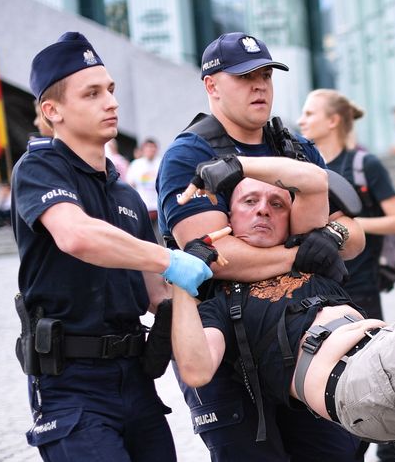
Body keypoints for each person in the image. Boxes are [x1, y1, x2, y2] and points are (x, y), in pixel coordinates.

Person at [155, 31, 364, 461]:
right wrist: (300, 253)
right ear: (212, 85)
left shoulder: (295, 149)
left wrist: (332, 237)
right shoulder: (187, 156)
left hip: (300, 331)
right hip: (224, 341)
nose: (260, 87)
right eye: (245, 77)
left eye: (266, 76)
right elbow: (217, 256)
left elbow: (353, 232)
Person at [11, 31, 212, 461]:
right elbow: (76, 235)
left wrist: (208, 283)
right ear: (52, 111)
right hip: (71, 384)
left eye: (111, 89)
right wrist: (169, 258)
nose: (111, 102)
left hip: (135, 380)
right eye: (92, 93)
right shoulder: (40, 167)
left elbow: (157, 296)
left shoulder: (126, 195)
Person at [170, 155, 395, 450]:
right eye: (250, 201)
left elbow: (314, 181)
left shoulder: (311, 255)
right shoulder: (221, 302)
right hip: (356, 385)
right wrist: (182, 278)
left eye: (277, 204)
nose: (263, 210)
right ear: (229, 217)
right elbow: (196, 371)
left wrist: (236, 165)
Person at [297, 88, 395, 320]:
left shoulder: (365, 164)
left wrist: (345, 227)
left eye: (309, 114)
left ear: (333, 121)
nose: (301, 121)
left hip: (361, 287)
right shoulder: (305, 168)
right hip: (320, 288)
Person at [126, 138, 162, 242]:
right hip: (142, 206)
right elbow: (129, 184)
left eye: (153, 148)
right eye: (148, 148)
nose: (151, 150)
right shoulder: (136, 165)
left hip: (159, 207)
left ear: (156, 149)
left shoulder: (161, 163)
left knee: (159, 238)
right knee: (143, 237)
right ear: (143, 150)